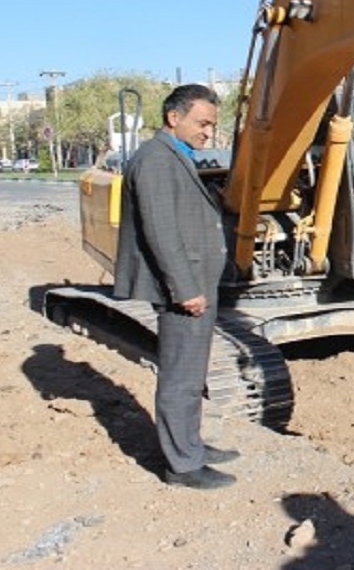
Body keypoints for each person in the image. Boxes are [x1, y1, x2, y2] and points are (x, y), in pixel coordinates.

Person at [113, 84, 240, 490]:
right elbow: (161, 231)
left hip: (197, 280)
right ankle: (182, 466)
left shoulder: (173, 156)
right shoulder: (154, 161)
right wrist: (185, 288)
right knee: (181, 376)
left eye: (212, 125)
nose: (208, 133)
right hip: (183, 288)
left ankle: (191, 444)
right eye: (202, 123)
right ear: (174, 117)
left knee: (192, 371)